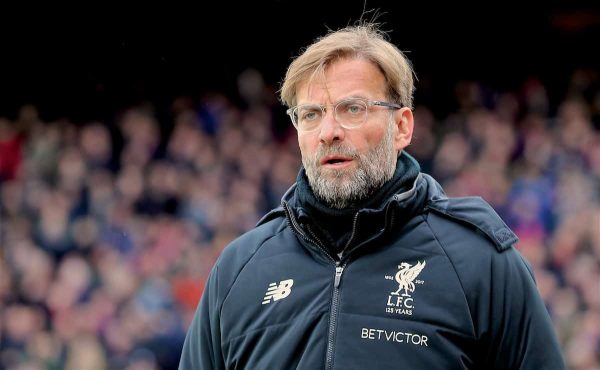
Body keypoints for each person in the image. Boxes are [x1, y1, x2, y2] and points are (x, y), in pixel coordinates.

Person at [179, 22, 566, 370]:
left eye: (352, 109)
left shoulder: (481, 263)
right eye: (311, 114)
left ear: (402, 127)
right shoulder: (240, 267)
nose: (328, 131)